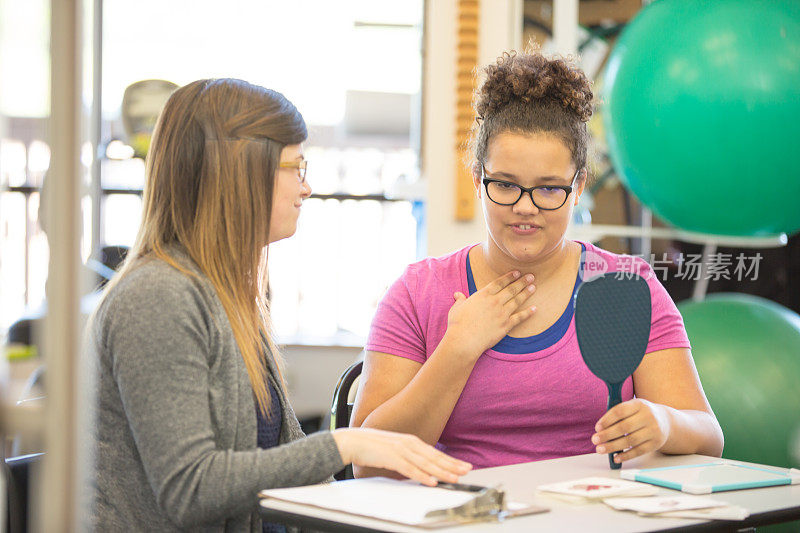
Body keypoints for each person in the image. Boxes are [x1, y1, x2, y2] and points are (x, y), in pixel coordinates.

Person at [86, 78, 471, 531]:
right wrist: (346, 446)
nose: (305, 188)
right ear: (239, 173)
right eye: (295, 167)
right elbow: (190, 489)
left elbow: (290, 471)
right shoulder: (157, 298)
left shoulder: (231, 295)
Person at [350, 51, 724, 475]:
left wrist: (665, 422)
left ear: (578, 185)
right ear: (477, 178)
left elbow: (708, 436)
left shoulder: (625, 284)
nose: (526, 208)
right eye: (506, 185)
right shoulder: (418, 293)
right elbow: (367, 463)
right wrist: (457, 349)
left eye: (549, 189)